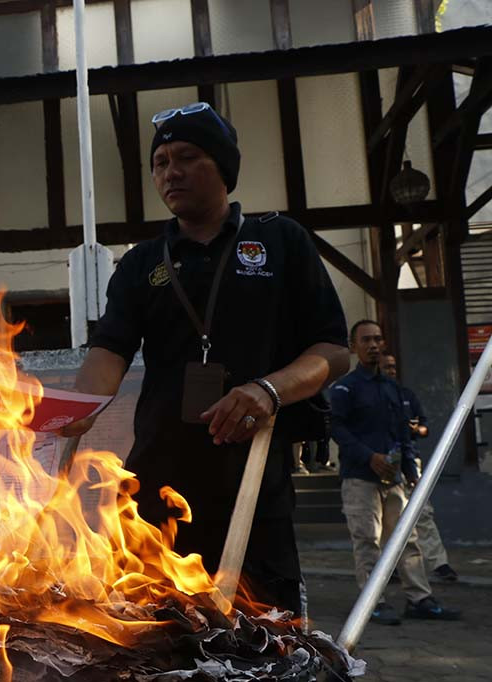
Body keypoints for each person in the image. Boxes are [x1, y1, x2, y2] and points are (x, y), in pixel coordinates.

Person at [63, 102, 350, 615]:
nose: (169, 171)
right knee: (151, 633)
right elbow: (108, 352)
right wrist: (68, 414)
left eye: (187, 156)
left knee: (265, 635)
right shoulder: (141, 264)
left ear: (223, 167)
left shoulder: (279, 242)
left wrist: (269, 389)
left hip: (253, 480)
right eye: (160, 161)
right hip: (156, 481)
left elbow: (333, 350)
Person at [330, 320, 460, 625]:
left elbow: (403, 432)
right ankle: (373, 603)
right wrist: (369, 456)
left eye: (378, 339)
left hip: (394, 480)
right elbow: (336, 428)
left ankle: (419, 599)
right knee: (367, 541)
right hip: (360, 479)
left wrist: (409, 467)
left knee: (407, 538)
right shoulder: (344, 388)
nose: (374, 345)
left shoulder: (393, 389)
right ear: (354, 347)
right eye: (366, 340)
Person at [379, 351, 459, 582]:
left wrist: (415, 429)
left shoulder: (406, 396)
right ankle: (388, 566)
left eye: (393, 366)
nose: (391, 371)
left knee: (423, 513)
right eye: (386, 367)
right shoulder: (371, 396)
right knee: (388, 515)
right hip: (384, 462)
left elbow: (425, 428)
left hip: (410, 460)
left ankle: (438, 563)